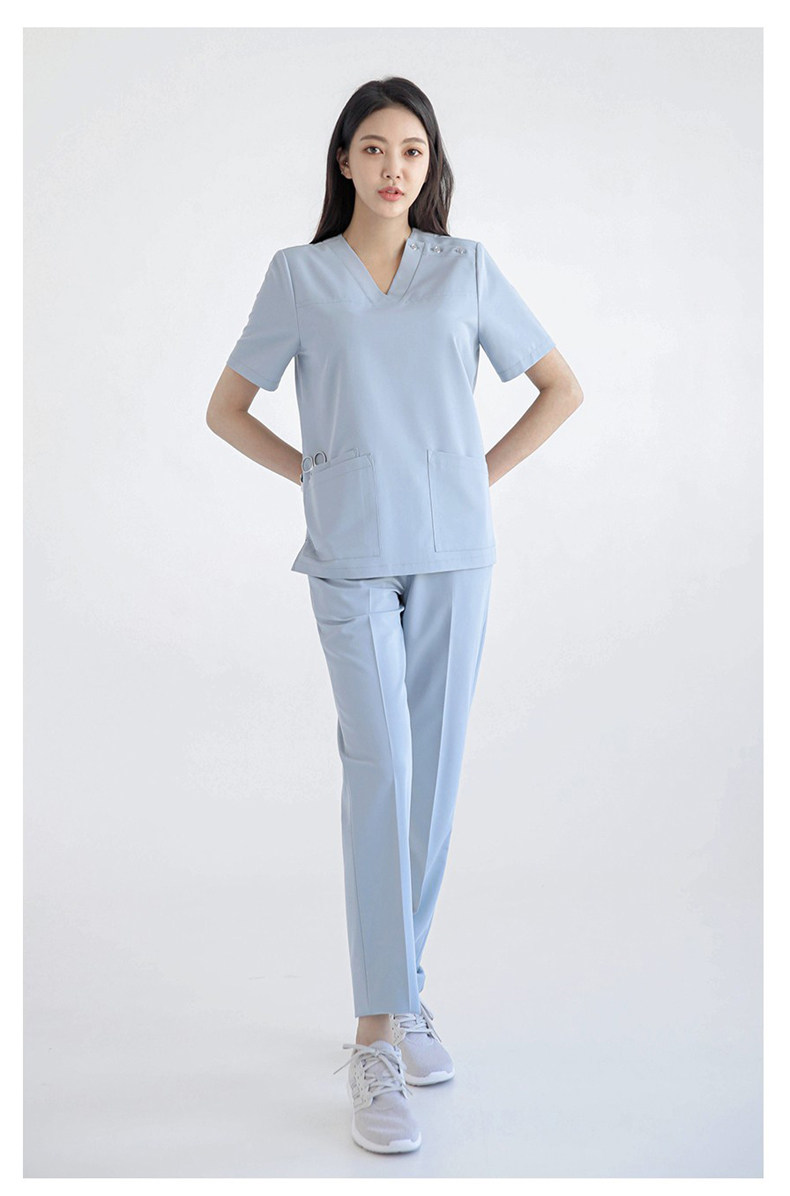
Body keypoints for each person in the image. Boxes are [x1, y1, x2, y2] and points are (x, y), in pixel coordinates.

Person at [206, 75, 583, 1154]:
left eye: (411, 150)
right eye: (373, 147)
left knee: (434, 777)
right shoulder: (301, 276)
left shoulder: (465, 268)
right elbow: (227, 410)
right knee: (381, 768)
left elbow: (560, 387)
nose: (392, 167)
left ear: (430, 166)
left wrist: (472, 480)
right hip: (351, 557)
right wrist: (319, 477)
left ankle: (402, 989)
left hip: (456, 554)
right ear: (344, 160)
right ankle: (377, 1034)